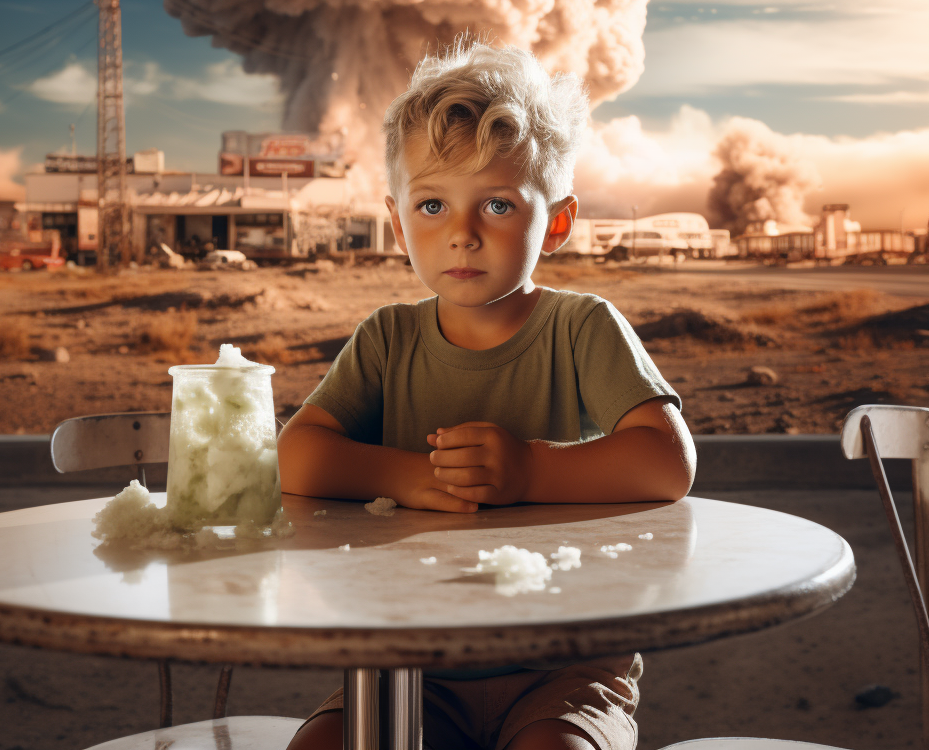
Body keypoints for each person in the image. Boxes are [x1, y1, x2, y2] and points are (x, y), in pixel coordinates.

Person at [278, 41, 696, 750]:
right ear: (397, 216)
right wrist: (411, 476)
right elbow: (296, 458)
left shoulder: (581, 328)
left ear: (556, 223)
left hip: (568, 666)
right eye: (432, 204)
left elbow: (668, 463)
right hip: (409, 664)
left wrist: (531, 471)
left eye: (497, 204)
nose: (461, 234)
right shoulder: (386, 339)